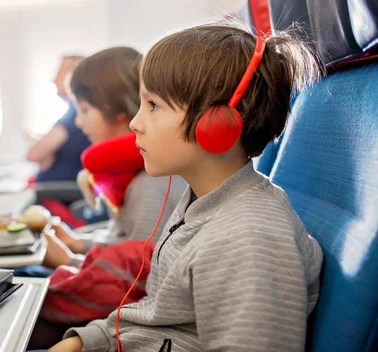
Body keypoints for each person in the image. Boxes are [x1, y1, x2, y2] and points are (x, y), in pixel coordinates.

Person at [49, 22, 324, 351]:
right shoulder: (199, 204)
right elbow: (158, 317)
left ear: (216, 126)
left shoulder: (247, 239)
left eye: (153, 106)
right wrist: (89, 341)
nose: (135, 123)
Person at [43, 46, 186, 269]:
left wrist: (69, 261)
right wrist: (80, 243)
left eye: (84, 110)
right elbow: (124, 242)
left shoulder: (149, 183)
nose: (79, 122)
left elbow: (139, 274)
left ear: (116, 109)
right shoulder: (128, 171)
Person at [27, 56, 90, 182]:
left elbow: (33, 155)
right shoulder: (75, 112)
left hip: (55, 196)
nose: (53, 80)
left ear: (72, 76)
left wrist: (46, 151)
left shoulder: (75, 114)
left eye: (59, 74)